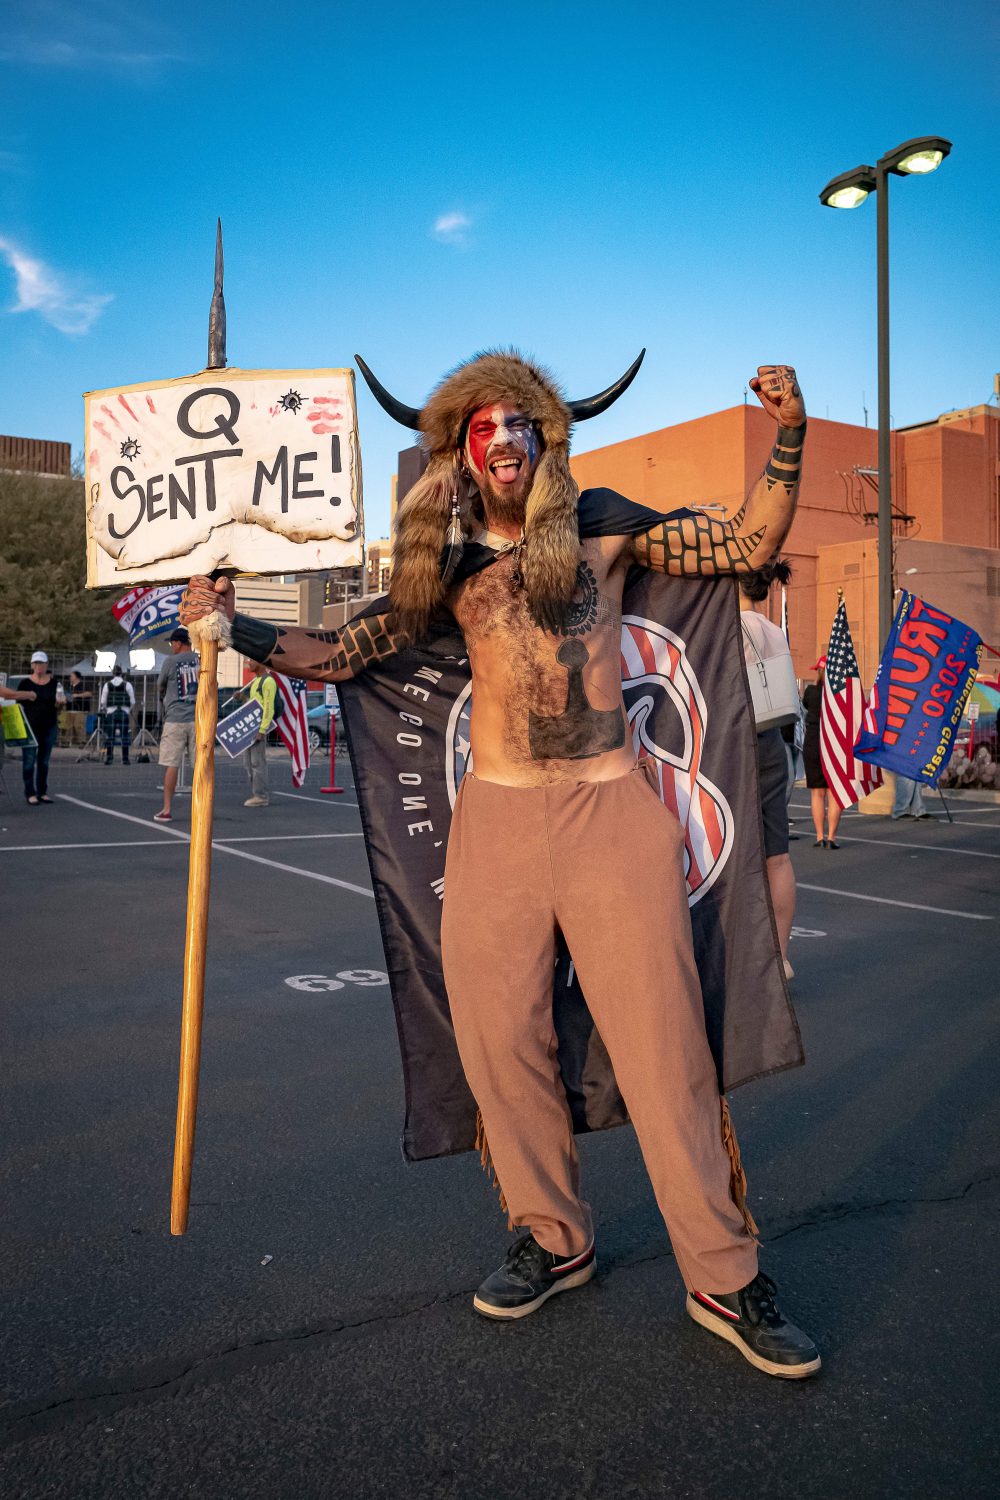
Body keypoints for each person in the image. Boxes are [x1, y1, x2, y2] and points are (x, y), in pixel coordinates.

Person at [182, 355, 819, 1380]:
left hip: (612, 811)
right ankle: (552, 1237)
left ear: (545, 437)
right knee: (497, 1040)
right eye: (482, 430)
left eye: (519, 424)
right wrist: (231, 627)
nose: (504, 442)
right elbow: (344, 650)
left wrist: (790, 432)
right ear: (460, 453)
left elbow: (747, 540)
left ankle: (723, 1271)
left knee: (662, 1046)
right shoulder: (445, 565)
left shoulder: (605, 521)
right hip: (499, 822)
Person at [739, 561, 797, 980]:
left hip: (737, 743)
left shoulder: (726, 627)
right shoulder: (774, 630)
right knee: (777, 855)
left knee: (729, 853)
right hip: (773, 741)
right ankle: (781, 955)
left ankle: (736, 954)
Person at [154, 627, 200, 822]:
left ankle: (166, 808)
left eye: (172, 642)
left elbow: (160, 685)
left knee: (172, 765)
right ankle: (202, 809)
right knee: (199, 767)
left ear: (179, 643)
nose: (171, 646)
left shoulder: (170, 661)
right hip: (197, 718)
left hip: (175, 718)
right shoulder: (200, 660)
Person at [802, 657, 841, 848]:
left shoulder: (811, 691)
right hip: (834, 742)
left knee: (818, 793)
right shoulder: (840, 693)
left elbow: (805, 706)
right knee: (834, 792)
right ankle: (832, 837)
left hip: (813, 741)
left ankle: (819, 836)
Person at [17, 651, 60, 805]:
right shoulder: (25, 684)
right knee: (29, 760)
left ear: (46, 665)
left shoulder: (54, 683)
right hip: (29, 726)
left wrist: (60, 702)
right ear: (32, 665)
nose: (38, 666)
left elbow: (58, 702)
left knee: (44, 761)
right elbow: (17, 704)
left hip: (48, 725)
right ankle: (30, 793)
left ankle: (42, 791)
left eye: (41, 663)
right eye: (35, 663)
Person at [243, 661, 276, 807]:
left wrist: (262, 730)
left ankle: (261, 796)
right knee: (248, 764)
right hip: (250, 730)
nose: (247, 663)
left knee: (257, 763)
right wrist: (242, 699)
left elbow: (269, 707)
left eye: (250, 660)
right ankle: (256, 793)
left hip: (258, 730)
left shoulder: (268, 681)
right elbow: (254, 704)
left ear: (260, 663)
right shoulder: (256, 681)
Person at [100, 667, 135, 764]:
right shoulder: (127, 685)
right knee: (124, 736)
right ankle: (125, 759)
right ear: (122, 673)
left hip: (111, 713)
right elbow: (132, 701)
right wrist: (128, 710)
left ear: (112, 673)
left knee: (110, 736)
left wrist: (106, 710)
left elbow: (103, 701)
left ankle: (109, 758)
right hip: (124, 712)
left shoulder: (107, 685)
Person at [64, 671, 92, 746]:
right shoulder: (69, 686)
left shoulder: (84, 684)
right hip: (70, 709)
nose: (70, 677)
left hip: (81, 709)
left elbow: (89, 694)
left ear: (76, 677)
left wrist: (77, 695)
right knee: (68, 726)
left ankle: (82, 742)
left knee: (79, 726)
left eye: (71, 676)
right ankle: (67, 742)